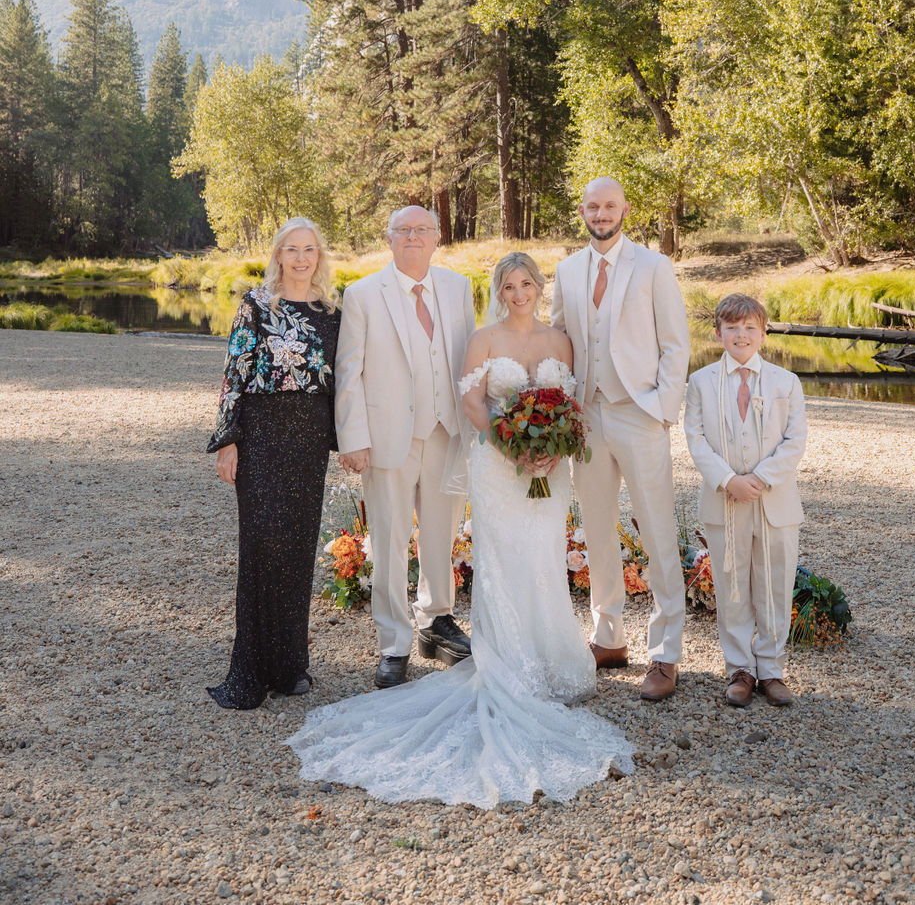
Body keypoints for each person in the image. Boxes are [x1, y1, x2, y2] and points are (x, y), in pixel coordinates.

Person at [286, 251, 633, 808]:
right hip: (499, 466)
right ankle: (502, 660)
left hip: (549, 472)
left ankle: (549, 658)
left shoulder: (561, 342)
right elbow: (471, 400)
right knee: (502, 561)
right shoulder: (484, 338)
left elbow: (568, 403)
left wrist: (551, 448)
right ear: (499, 290)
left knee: (544, 559)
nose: (519, 293)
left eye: (527, 284)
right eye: (509, 284)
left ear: (539, 288)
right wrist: (513, 441)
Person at [551, 176, 690, 702]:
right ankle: (608, 637)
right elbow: (561, 340)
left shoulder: (653, 266)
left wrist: (660, 409)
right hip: (586, 416)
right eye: (593, 205)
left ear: (624, 209)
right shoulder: (566, 270)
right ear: (582, 210)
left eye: (610, 205)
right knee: (597, 530)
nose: (601, 213)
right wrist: (561, 409)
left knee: (656, 528)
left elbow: (677, 345)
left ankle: (666, 652)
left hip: (639, 413)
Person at [333, 206, 476, 689]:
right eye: (404, 231)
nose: (413, 237)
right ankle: (393, 642)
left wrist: (476, 429)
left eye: (423, 230)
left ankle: (436, 621)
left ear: (437, 238)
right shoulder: (362, 294)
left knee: (441, 534)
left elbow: (469, 363)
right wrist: (353, 439)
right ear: (390, 239)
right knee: (390, 541)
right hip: (387, 437)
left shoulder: (458, 289)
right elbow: (348, 373)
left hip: (446, 432)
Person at [207, 217, 340, 710]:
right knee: (262, 544)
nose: (302, 258)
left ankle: (289, 666)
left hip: (307, 439)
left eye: (310, 249)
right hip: (262, 433)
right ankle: (251, 667)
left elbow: (342, 380)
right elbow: (234, 372)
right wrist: (229, 440)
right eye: (293, 249)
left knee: (298, 550)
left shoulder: (331, 311)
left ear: (318, 256)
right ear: (279, 255)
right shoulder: (256, 305)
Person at [683, 292, 807, 708]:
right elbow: (696, 439)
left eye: (749, 327)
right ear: (718, 333)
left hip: (774, 502)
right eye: (732, 328)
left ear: (764, 333)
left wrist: (759, 478)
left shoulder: (785, 382)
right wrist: (727, 480)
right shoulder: (700, 382)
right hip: (725, 500)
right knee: (732, 583)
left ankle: (771, 669)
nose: (741, 335)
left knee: (774, 584)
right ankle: (739, 668)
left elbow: (795, 440)